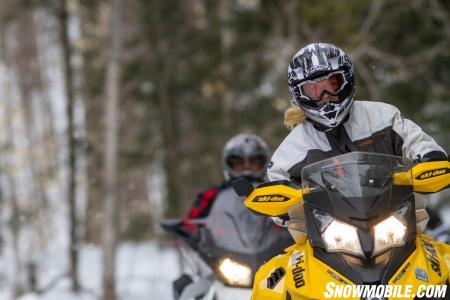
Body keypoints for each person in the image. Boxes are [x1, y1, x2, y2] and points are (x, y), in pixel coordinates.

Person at [268, 42, 448, 184]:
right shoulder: (295, 146)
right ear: (300, 94)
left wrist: (430, 157)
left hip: (395, 213)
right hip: (326, 226)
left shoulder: (382, 117)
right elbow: (277, 178)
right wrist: (281, 203)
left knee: (426, 231)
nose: (325, 96)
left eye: (332, 84)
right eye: (314, 90)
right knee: (300, 232)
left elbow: (415, 141)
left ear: (347, 79)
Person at [181, 133, 270, 232]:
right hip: (220, 246)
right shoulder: (210, 195)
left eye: (254, 161)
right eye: (239, 162)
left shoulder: (275, 192)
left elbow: (288, 216)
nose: (247, 166)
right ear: (229, 163)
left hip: (275, 246)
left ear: (263, 163)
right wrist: (187, 231)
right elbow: (191, 221)